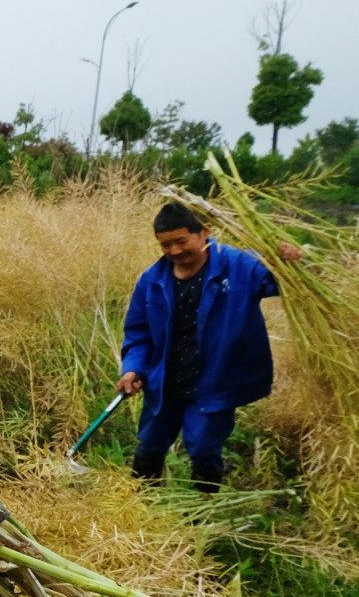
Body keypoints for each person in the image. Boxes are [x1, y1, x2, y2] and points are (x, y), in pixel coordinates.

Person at [117, 202, 300, 494]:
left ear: (203, 233)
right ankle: (140, 505)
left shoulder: (240, 266)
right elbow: (138, 333)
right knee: (150, 444)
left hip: (214, 383)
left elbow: (280, 282)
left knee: (204, 450)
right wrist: (132, 368)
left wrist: (290, 261)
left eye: (181, 241)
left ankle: (201, 512)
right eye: (166, 245)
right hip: (164, 384)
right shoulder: (152, 281)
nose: (174, 251)